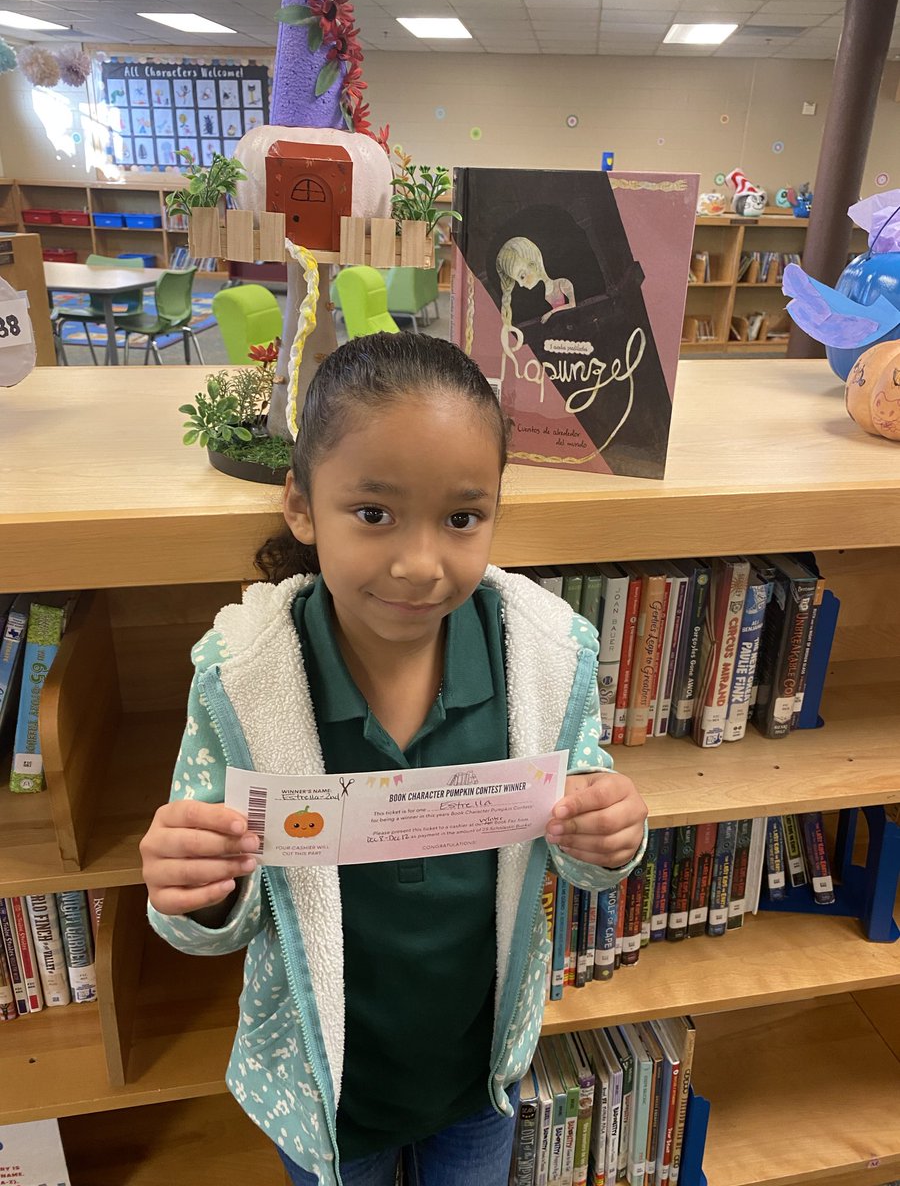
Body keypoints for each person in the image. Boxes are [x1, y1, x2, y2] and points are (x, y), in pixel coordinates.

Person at [140, 332, 648, 1186]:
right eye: (373, 514)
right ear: (302, 507)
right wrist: (194, 888)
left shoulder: (547, 657)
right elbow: (208, 912)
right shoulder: (244, 680)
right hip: (327, 1087)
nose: (419, 566)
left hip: (476, 1074)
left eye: (461, 518)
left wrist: (610, 834)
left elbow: (581, 819)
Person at [496, 235, 576, 328]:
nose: (521, 285)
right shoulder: (538, 299)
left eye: (522, 276)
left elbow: (572, 304)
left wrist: (550, 313)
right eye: (517, 280)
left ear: (532, 266)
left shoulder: (563, 283)